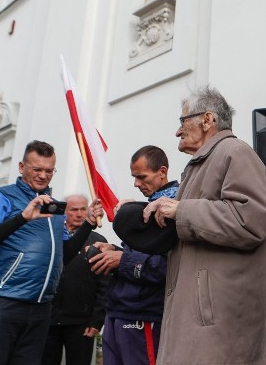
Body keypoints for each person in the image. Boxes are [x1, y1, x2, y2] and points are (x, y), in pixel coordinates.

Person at [143, 86, 266, 365]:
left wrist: (180, 209)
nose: (178, 131)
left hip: (218, 330)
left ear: (207, 120)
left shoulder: (235, 152)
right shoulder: (201, 163)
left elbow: (250, 221)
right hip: (198, 324)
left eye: (182, 121)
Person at [0, 140, 103, 365]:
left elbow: (64, 256)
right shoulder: (2, 196)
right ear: (21, 167)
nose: (43, 175)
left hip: (40, 308)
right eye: (36, 169)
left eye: (49, 170)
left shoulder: (56, 208)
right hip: (3, 301)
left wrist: (87, 224)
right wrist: (22, 218)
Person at [88, 145, 178, 365]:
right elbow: (138, 256)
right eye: (134, 177)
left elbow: (169, 267)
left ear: (162, 171)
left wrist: (121, 260)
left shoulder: (175, 208)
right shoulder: (145, 207)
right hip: (119, 310)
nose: (136, 184)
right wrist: (114, 251)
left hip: (145, 314)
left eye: (141, 177)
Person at [41, 194, 110, 365]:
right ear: (64, 211)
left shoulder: (98, 242)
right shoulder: (52, 237)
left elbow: (104, 285)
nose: (79, 214)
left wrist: (97, 320)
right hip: (48, 319)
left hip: (81, 323)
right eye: (74, 209)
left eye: (83, 209)